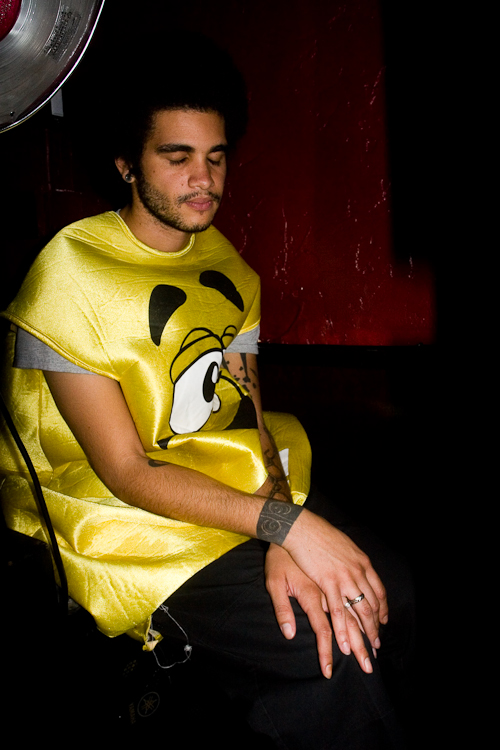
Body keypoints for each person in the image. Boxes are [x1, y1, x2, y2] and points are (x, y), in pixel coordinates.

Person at [0, 39, 414, 749]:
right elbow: (126, 471)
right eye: (177, 157)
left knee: (392, 591)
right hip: (116, 519)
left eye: (216, 157)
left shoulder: (231, 269)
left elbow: (251, 420)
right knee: (329, 655)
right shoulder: (70, 273)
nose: (204, 179)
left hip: (226, 487)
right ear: (127, 164)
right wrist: (284, 528)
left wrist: (282, 527)